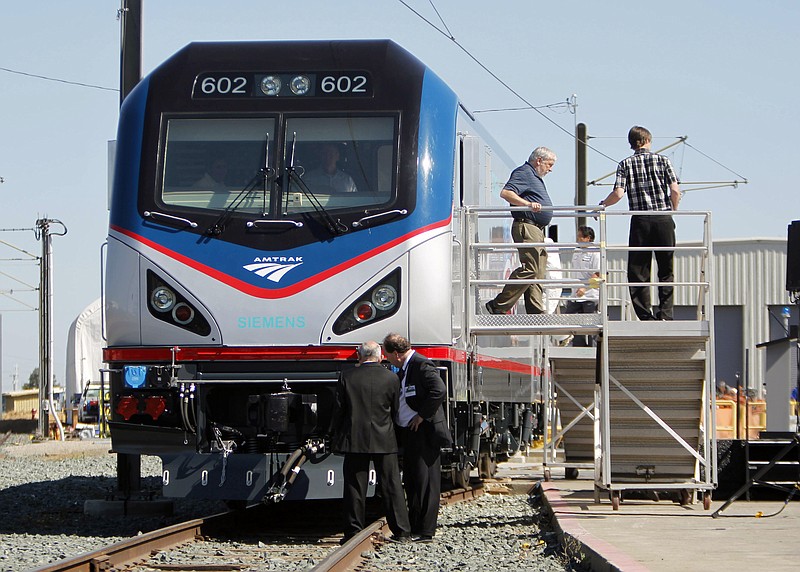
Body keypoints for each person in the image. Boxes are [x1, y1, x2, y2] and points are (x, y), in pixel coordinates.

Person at [331, 340, 412, 544]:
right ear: (380, 355)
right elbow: (395, 409)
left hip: (354, 438)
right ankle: (402, 531)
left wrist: (333, 433)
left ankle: (352, 532)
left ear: (359, 356)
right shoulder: (391, 378)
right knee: (391, 485)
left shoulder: (347, 377)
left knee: (354, 487)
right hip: (384, 438)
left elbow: (340, 410)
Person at [599, 126, 681, 321]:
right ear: (648, 140)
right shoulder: (663, 160)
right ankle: (666, 315)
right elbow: (675, 191)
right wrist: (673, 209)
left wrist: (603, 204)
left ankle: (645, 315)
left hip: (640, 219)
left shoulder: (625, 164)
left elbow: (618, 193)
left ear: (631, 143)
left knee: (638, 270)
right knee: (666, 269)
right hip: (663, 218)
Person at [382, 333, 451, 543]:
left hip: (425, 431)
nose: (387, 359)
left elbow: (439, 390)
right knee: (413, 480)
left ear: (396, 354)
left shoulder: (421, 365)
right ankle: (415, 527)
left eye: (388, 355)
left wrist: (422, 415)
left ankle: (426, 530)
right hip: (411, 431)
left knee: (426, 481)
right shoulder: (406, 368)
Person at [485, 147, 556, 315]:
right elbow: (506, 192)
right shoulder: (524, 172)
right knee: (531, 268)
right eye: (549, 164)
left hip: (536, 229)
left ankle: (536, 311)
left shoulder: (533, 176)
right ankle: (498, 304)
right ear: (538, 160)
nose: (550, 169)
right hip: (527, 225)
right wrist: (527, 204)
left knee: (537, 271)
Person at [564, 226, 600, 346]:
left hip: (589, 295)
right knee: (570, 322)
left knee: (590, 326)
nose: (578, 238)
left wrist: (585, 288)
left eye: (580, 236)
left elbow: (598, 275)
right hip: (575, 295)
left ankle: (594, 350)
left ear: (588, 238)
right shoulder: (576, 251)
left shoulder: (595, 253)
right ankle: (575, 346)